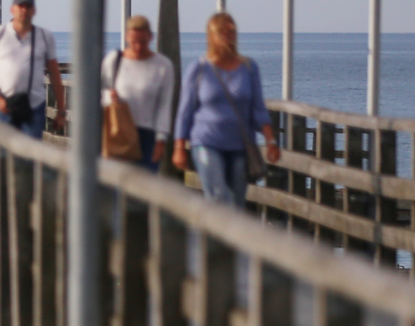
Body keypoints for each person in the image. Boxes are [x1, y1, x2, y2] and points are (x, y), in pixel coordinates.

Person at [174, 12, 280, 207]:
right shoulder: (199, 69)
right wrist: (179, 147)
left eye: (231, 32)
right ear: (211, 36)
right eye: (222, 32)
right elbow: (185, 111)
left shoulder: (248, 67)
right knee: (218, 196)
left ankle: (214, 237)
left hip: (240, 145)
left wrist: (270, 140)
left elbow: (258, 108)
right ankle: (207, 237)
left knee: (236, 204)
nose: (228, 36)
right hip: (206, 141)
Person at [0, 0, 63, 138]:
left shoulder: (44, 36)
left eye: (28, 6)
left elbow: (55, 74)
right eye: (21, 6)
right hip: (5, 105)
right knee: (5, 155)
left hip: (34, 105)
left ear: (34, 10)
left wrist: (61, 110)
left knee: (31, 154)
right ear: (13, 9)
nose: (24, 10)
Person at [101, 15, 176, 171]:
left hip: (148, 134)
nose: (138, 47)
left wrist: (161, 139)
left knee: (144, 187)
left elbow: (164, 104)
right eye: (134, 42)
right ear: (127, 37)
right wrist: (110, 97)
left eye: (143, 42)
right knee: (117, 186)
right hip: (118, 130)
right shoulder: (114, 60)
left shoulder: (163, 65)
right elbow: (99, 92)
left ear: (150, 37)